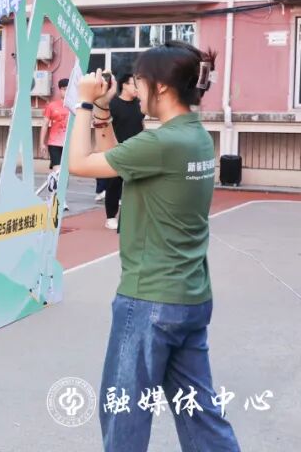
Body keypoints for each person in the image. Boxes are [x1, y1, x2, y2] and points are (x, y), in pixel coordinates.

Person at [68, 41, 240, 452]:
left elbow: (79, 164)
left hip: (150, 300)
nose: (137, 88)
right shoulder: (193, 137)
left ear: (160, 87)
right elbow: (117, 160)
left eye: (141, 81)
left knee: (123, 415)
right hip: (189, 297)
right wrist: (105, 112)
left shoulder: (162, 143)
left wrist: (84, 104)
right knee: (201, 418)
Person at [102, 73, 145, 231]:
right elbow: (105, 126)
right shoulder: (113, 105)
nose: (137, 88)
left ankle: (134, 217)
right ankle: (110, 217)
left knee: (137, 184)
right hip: (118, 150)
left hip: (137, 150)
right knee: (114, 184)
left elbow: (141, 124)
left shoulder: (139, 104)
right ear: (124, 85)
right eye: (134, 84)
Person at [39, 78, 70, 171]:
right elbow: (45, 124)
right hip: (54, 143)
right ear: (60, 90)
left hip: (70, 143)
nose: (66, 92)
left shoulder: (75, 106)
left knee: (66, 171)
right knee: (57, 171)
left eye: (68, 89)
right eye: (64, 89)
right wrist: (41, 143)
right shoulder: (51, 106)